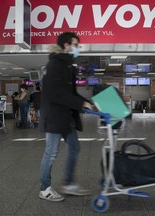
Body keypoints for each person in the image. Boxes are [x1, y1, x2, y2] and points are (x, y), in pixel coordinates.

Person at [39, 32, 92, 202]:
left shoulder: (68, 66)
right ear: (66, 46)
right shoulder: (55, 65)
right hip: (55, 117)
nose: (78, 48)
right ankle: (44, 188)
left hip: (66, 116)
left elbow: (71, 93)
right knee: (51, 152)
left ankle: (68, 183)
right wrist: (81, 104)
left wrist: (87, 102)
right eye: (75, 45)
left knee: (75, 147)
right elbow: (56, 94)